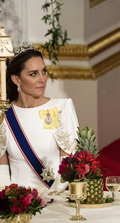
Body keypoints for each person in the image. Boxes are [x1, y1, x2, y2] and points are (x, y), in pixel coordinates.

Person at [0, 43, 79, 192]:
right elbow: (2, 170)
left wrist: (49, 197)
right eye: (33, 74)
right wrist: (8, 201)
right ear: (16, 80)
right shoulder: (4, 115)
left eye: (44, 72)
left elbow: (69, 164)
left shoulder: (61, 108)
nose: (42, 79)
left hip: (54, 200)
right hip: (18, 205)